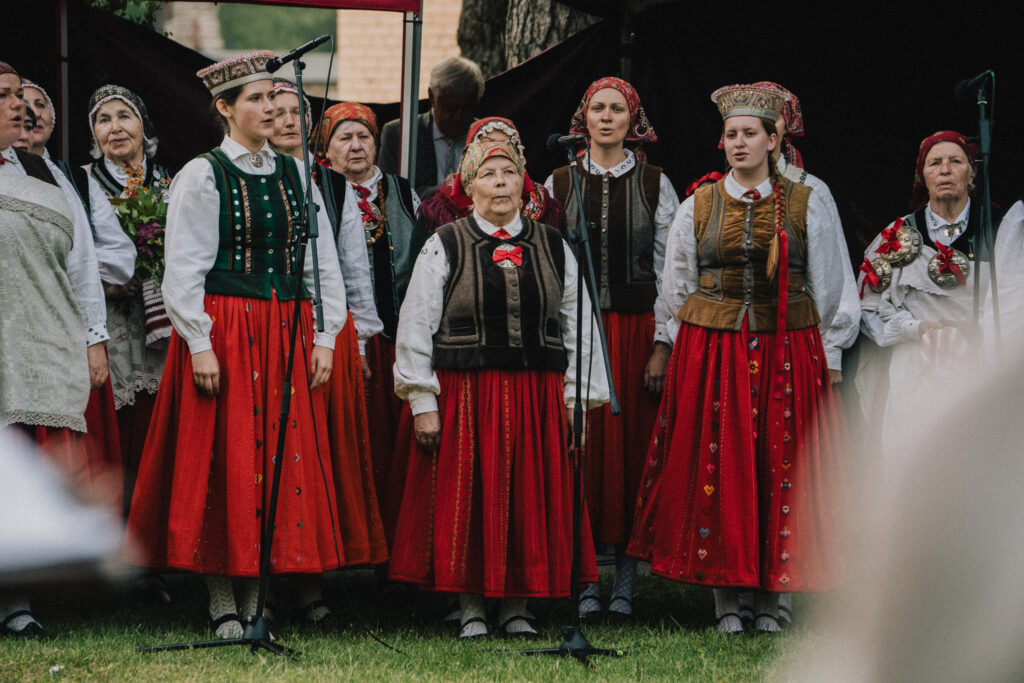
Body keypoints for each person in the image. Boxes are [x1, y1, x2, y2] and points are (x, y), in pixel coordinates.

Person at [124, 51, 352, 639]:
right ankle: (223, 597)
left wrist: (326, 334)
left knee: (274, 457)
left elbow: (321, 260)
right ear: (225, 109)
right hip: (226, 327)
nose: (271, 107)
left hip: (286, 329)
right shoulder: (203, 175)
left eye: (274, 96)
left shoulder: (297, 173)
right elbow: (184, 268)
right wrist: (199, 342)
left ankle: (259, 596)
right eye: (256, 98)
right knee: (225, 458)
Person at [627, 84, 847, 634]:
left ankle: (775, 597)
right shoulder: (699, 204)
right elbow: (677, 285)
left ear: (774, 140)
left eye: (751, 133)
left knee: (782, 465)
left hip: (785, 348)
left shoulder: (807, 202)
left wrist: (795, 332)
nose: (740, 143)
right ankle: (726, 596)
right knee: (720, 465)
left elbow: (827, 287)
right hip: (715, 350)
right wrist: (711, 326)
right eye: (731, 135)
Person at [388, 139, 608, 639]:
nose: (501, 182)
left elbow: (578, 326)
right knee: (470, 497)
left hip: (537, 396)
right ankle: (470, 607)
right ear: (469, 187)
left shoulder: (553, 245)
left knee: (526, 498)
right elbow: (416, 323)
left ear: (524, 184)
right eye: (489, 174)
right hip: (468, 393)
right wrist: (422, 400)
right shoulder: (444, 243)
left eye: (510, 172)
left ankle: (516, 608)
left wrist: (579, 399)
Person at [544, 76, 680, 618]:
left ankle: (624, 581)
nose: (606, 117)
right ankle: (583, 579)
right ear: (584, 117)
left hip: (635, 333)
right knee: (582, 451)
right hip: (575, 333)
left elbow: (672, 272)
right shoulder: (558, 181)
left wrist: (663, 344)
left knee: (631, 454)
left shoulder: (655, 183)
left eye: (616, 109)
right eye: (597, 108)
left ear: (632, 120)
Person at [270, 84, 390, 611]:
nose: (286, 121)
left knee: (318, 453)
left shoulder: (334, 187)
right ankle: (267, 573)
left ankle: (312, 579)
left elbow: (353, 268)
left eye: (296, 112)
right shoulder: (244, 176)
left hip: (326, 330)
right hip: (266, 324)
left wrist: (358, 342)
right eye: (275, 112)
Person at [0, 60, 109, 637]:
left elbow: (83, 262)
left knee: (18, 463)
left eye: (21, 95)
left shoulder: (45, 174)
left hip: (34, 341)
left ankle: (17, 601)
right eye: (4, 96)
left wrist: (94, 338)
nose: (19, 106)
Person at [312, 101, 424, 558]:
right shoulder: (321, 192)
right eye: (344, 138)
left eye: (364, 137)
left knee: (396, 444)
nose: (356, 146)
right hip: (344, 341)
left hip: (399, 339)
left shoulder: (402, 192)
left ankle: (396, 549)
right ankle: (354, 544)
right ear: (326, 148)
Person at [23, 78, 138, 517]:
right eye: (18, 102)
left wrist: (71, 275)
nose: (29, 113)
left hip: (68, 327)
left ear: (54, 120)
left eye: (39, 104)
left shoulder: (71, 178)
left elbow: (112, 255)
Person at [856, 131, 989, 464]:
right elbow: (867, 308)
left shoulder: (1000, 229)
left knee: (979, 463)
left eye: (955, 161)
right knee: (914, 462)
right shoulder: (897, 236)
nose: (945, 170)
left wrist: (980, 331)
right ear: (922, 177)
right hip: (913, 366)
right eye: (935, 163)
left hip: (985, 365)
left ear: (971, 173)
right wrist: (915, 329)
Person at [84, 84, 172, 514]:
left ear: (143, 125)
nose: (115, 128)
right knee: (115, 427)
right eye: (104, 120)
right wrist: (109, 283)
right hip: (110, 322)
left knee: (158, 426)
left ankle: (152, 529)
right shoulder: (81, 182)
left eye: (124, 116)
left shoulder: (173, 182)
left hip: (162, 322)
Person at [418, 116, 565, 234]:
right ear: (471, 157)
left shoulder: (544, 205)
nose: (497, 151)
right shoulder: (440, 209)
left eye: (507, 145)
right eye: (487, 144)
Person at [378, 56, 484, 200]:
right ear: (432, 97)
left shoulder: (488, 135)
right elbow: (389, 196)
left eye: (467, 108)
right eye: (450, 108)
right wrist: (443, 191)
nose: (458, 117)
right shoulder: (399, 134)